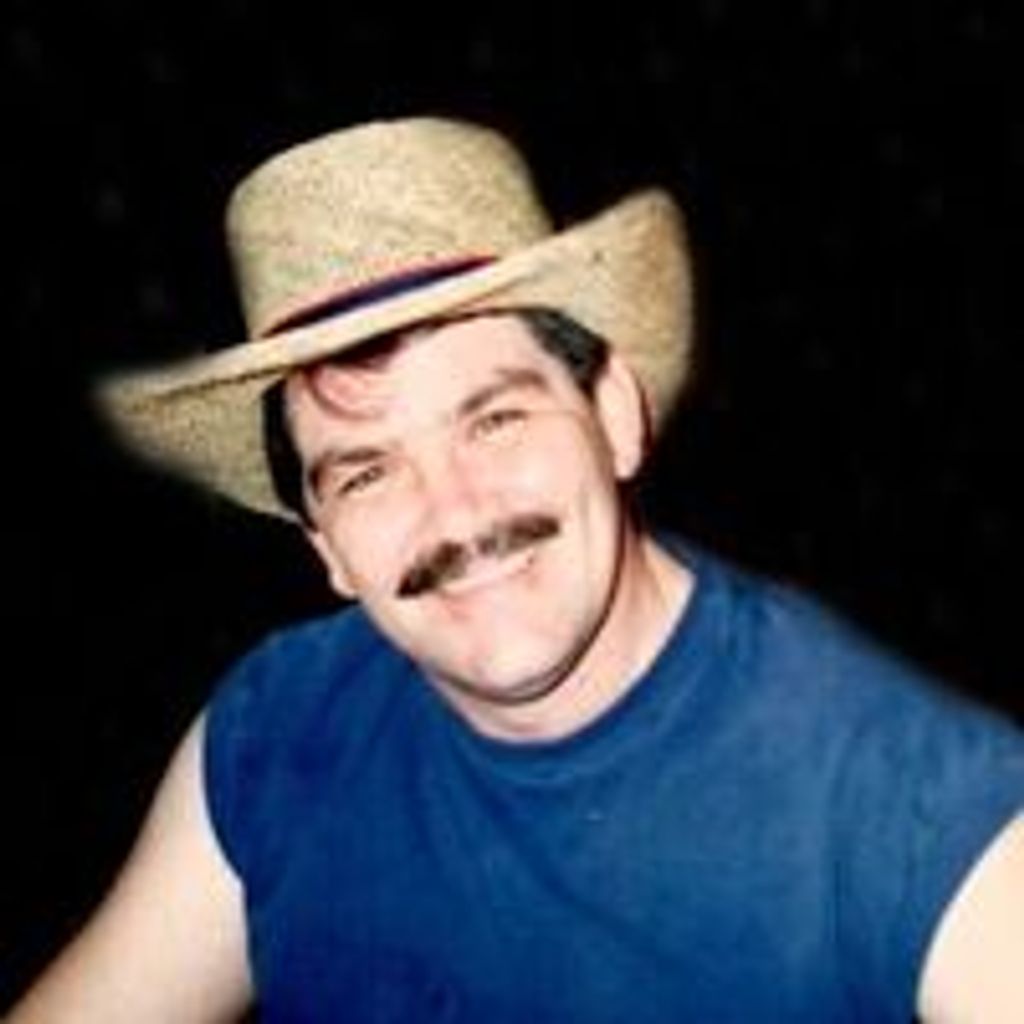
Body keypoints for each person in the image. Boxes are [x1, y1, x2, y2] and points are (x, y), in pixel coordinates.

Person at [7, 117, 1022, 1023]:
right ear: (326, 548)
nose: (454, 512)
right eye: (367, 472)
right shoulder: (279, 733)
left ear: (615, 416)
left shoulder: (916, 806)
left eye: (493, 419)